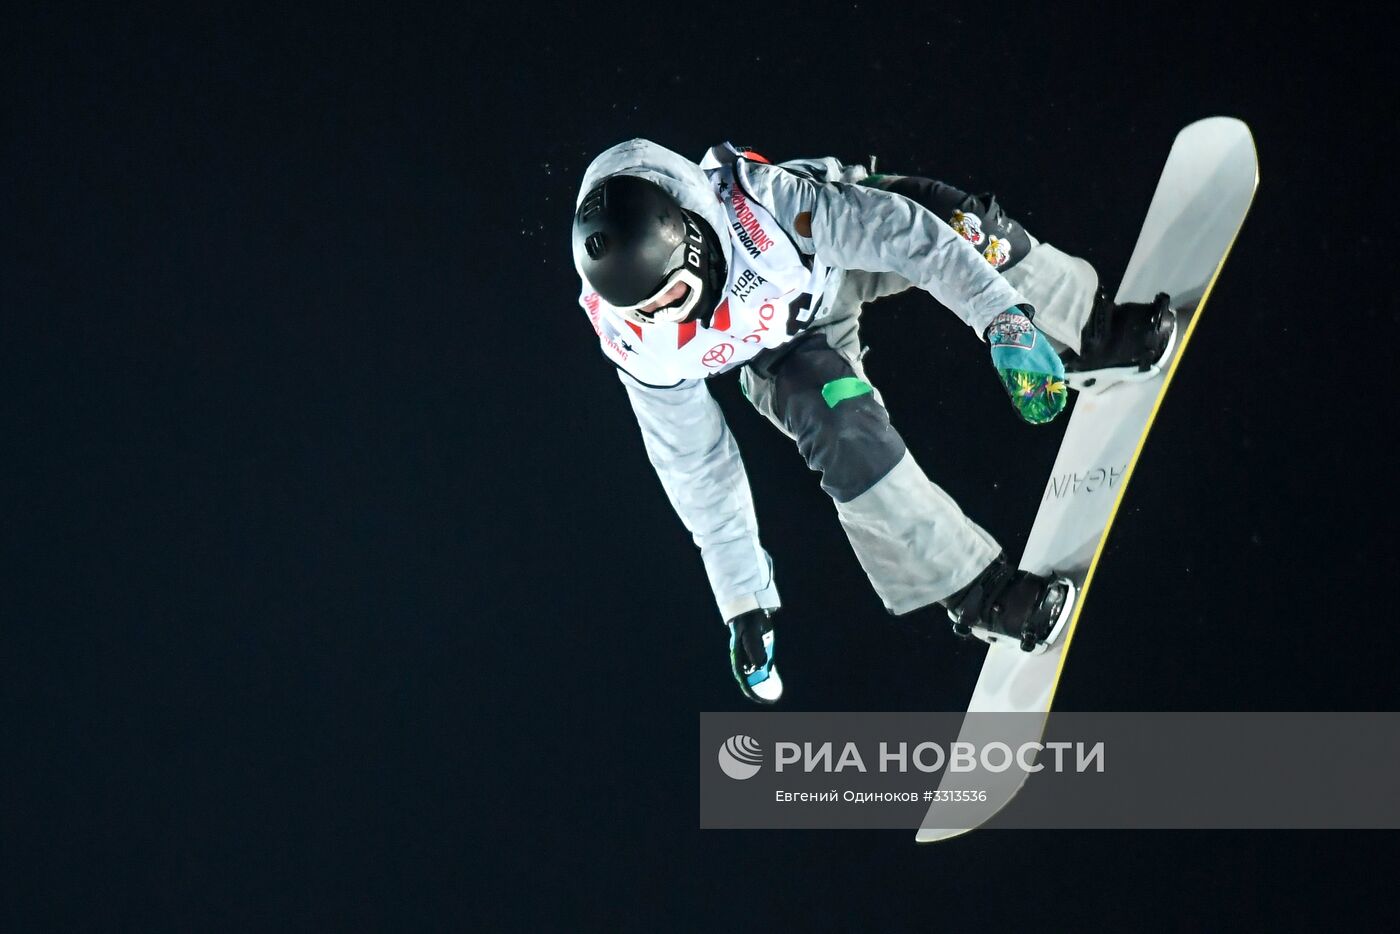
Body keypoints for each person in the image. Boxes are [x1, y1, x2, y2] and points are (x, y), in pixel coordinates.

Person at [571, 139, 1174, 703]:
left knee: (963, 226)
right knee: (841, 431)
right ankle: (975, 592)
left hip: (841, 260)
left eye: (672, 298)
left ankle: (1089, 333)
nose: (673, 320)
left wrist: (1003, 319)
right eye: (646, 313)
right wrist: (742, 596)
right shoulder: (634, 342)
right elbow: (694, 461)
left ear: (693, 242)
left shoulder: (761, 206)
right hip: (783, 350)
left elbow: (906, 237)